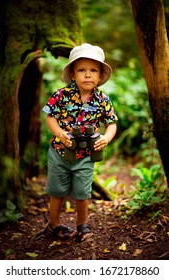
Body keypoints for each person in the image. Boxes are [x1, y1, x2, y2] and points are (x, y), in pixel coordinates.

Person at [42, 43, 118, 242]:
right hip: (60, 151)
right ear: (73, 74)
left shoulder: (103, 100)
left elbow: (112, 124)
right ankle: (54, 224)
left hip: (85, 155)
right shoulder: (61, 95)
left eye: (93, 70)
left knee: (82, 192)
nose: (87, 75)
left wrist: (106, 138)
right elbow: (49, 117)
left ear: (100, 76)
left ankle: (82, 225)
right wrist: (60, 133)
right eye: (82, 70)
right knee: (56, 190)